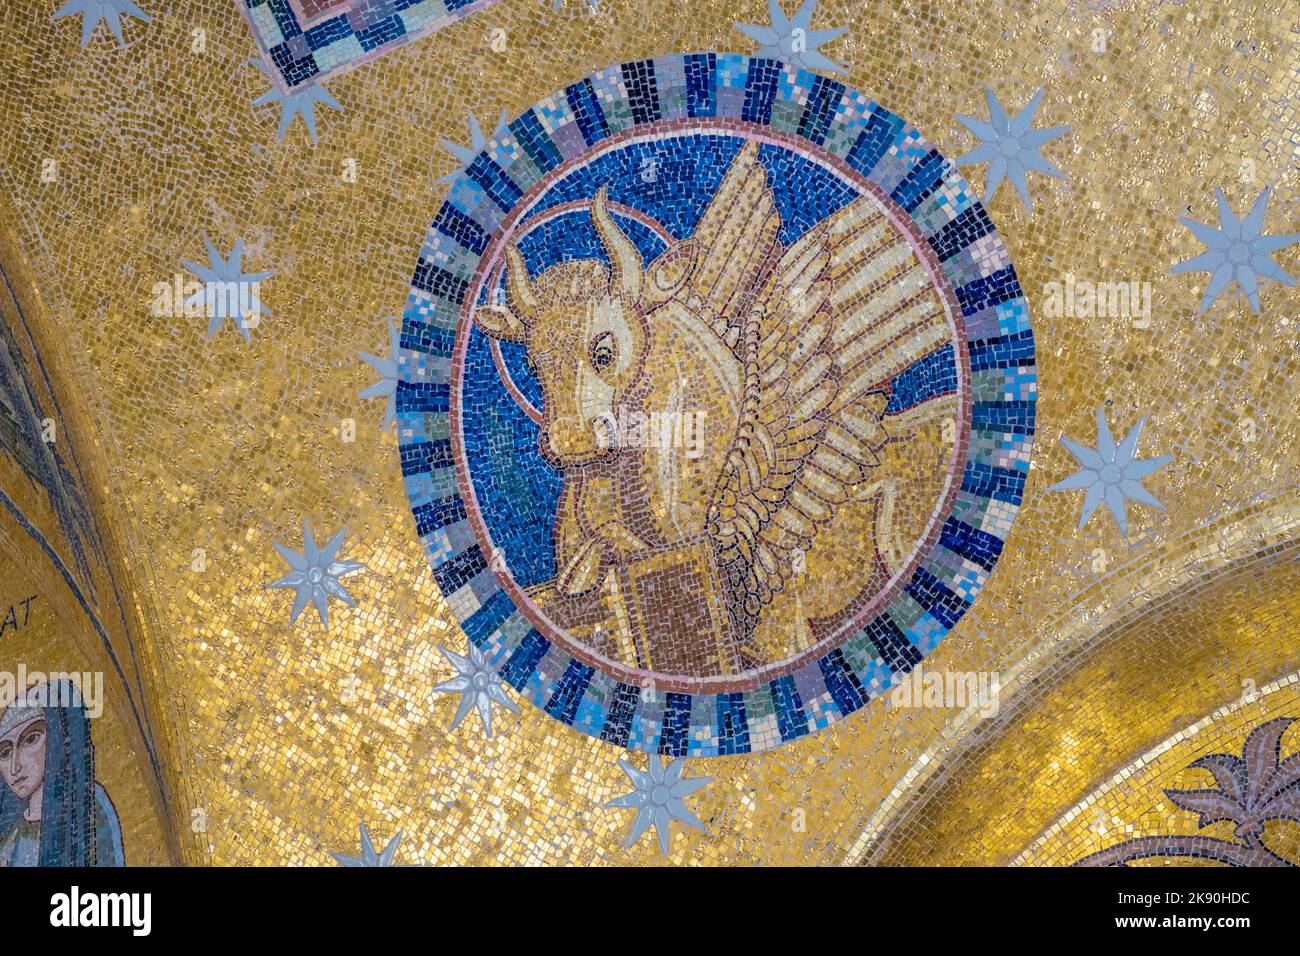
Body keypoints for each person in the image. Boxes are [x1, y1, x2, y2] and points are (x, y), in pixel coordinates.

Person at [0, 679, 123, 866]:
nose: (14, 767)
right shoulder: (11, 841)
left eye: (31, 739)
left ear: (58, 734)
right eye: (5, 752)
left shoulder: (88, 805)